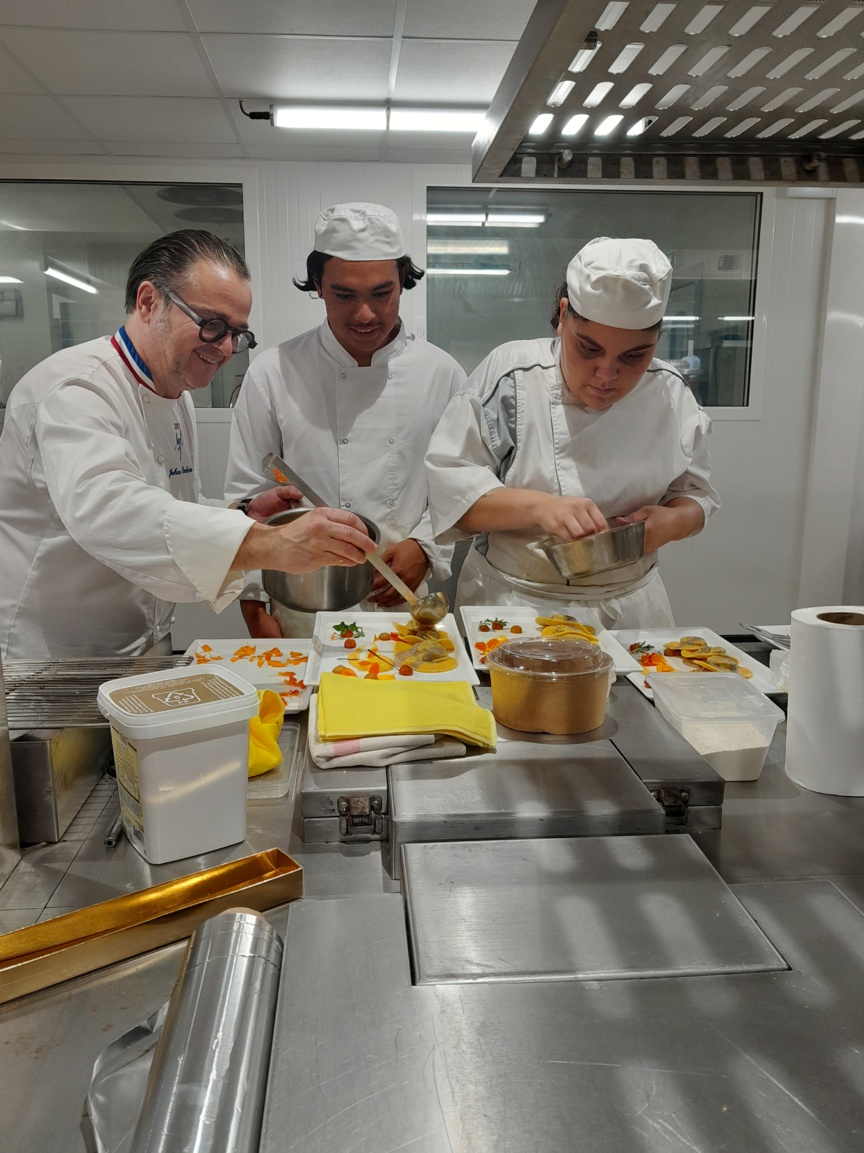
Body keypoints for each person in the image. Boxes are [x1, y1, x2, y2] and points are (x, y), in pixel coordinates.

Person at [0, 229, 374, 660]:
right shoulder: (74, 388)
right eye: (213, 325)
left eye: (237, 333)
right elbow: (108, 510)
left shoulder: (177, 397)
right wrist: (269, 545)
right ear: (148, 302)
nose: (228, 348)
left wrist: (243, 514)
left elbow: (172, 503)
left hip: (140, 645)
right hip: (52, 661)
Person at [425, 236, 720, 630]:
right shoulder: (513, 377)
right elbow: (452, 496)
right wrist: (540, 507)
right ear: (564, 316)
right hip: (517, 606)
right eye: (588, 348)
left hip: (633, 609)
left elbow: (696, 496)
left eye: (634, 356)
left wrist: (671, 524)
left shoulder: (670, 392)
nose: (607, 374)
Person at [224, 201, 467, 638]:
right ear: (318, 285)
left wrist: (425, 549)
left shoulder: (442, 373)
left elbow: (460, 484)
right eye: (344, 295)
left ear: (401, 283)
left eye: (381, 293)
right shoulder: (273, 372)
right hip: (300, 600)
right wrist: (254, 599)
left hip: (401, 600)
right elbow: (248, 495)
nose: (365, 315)